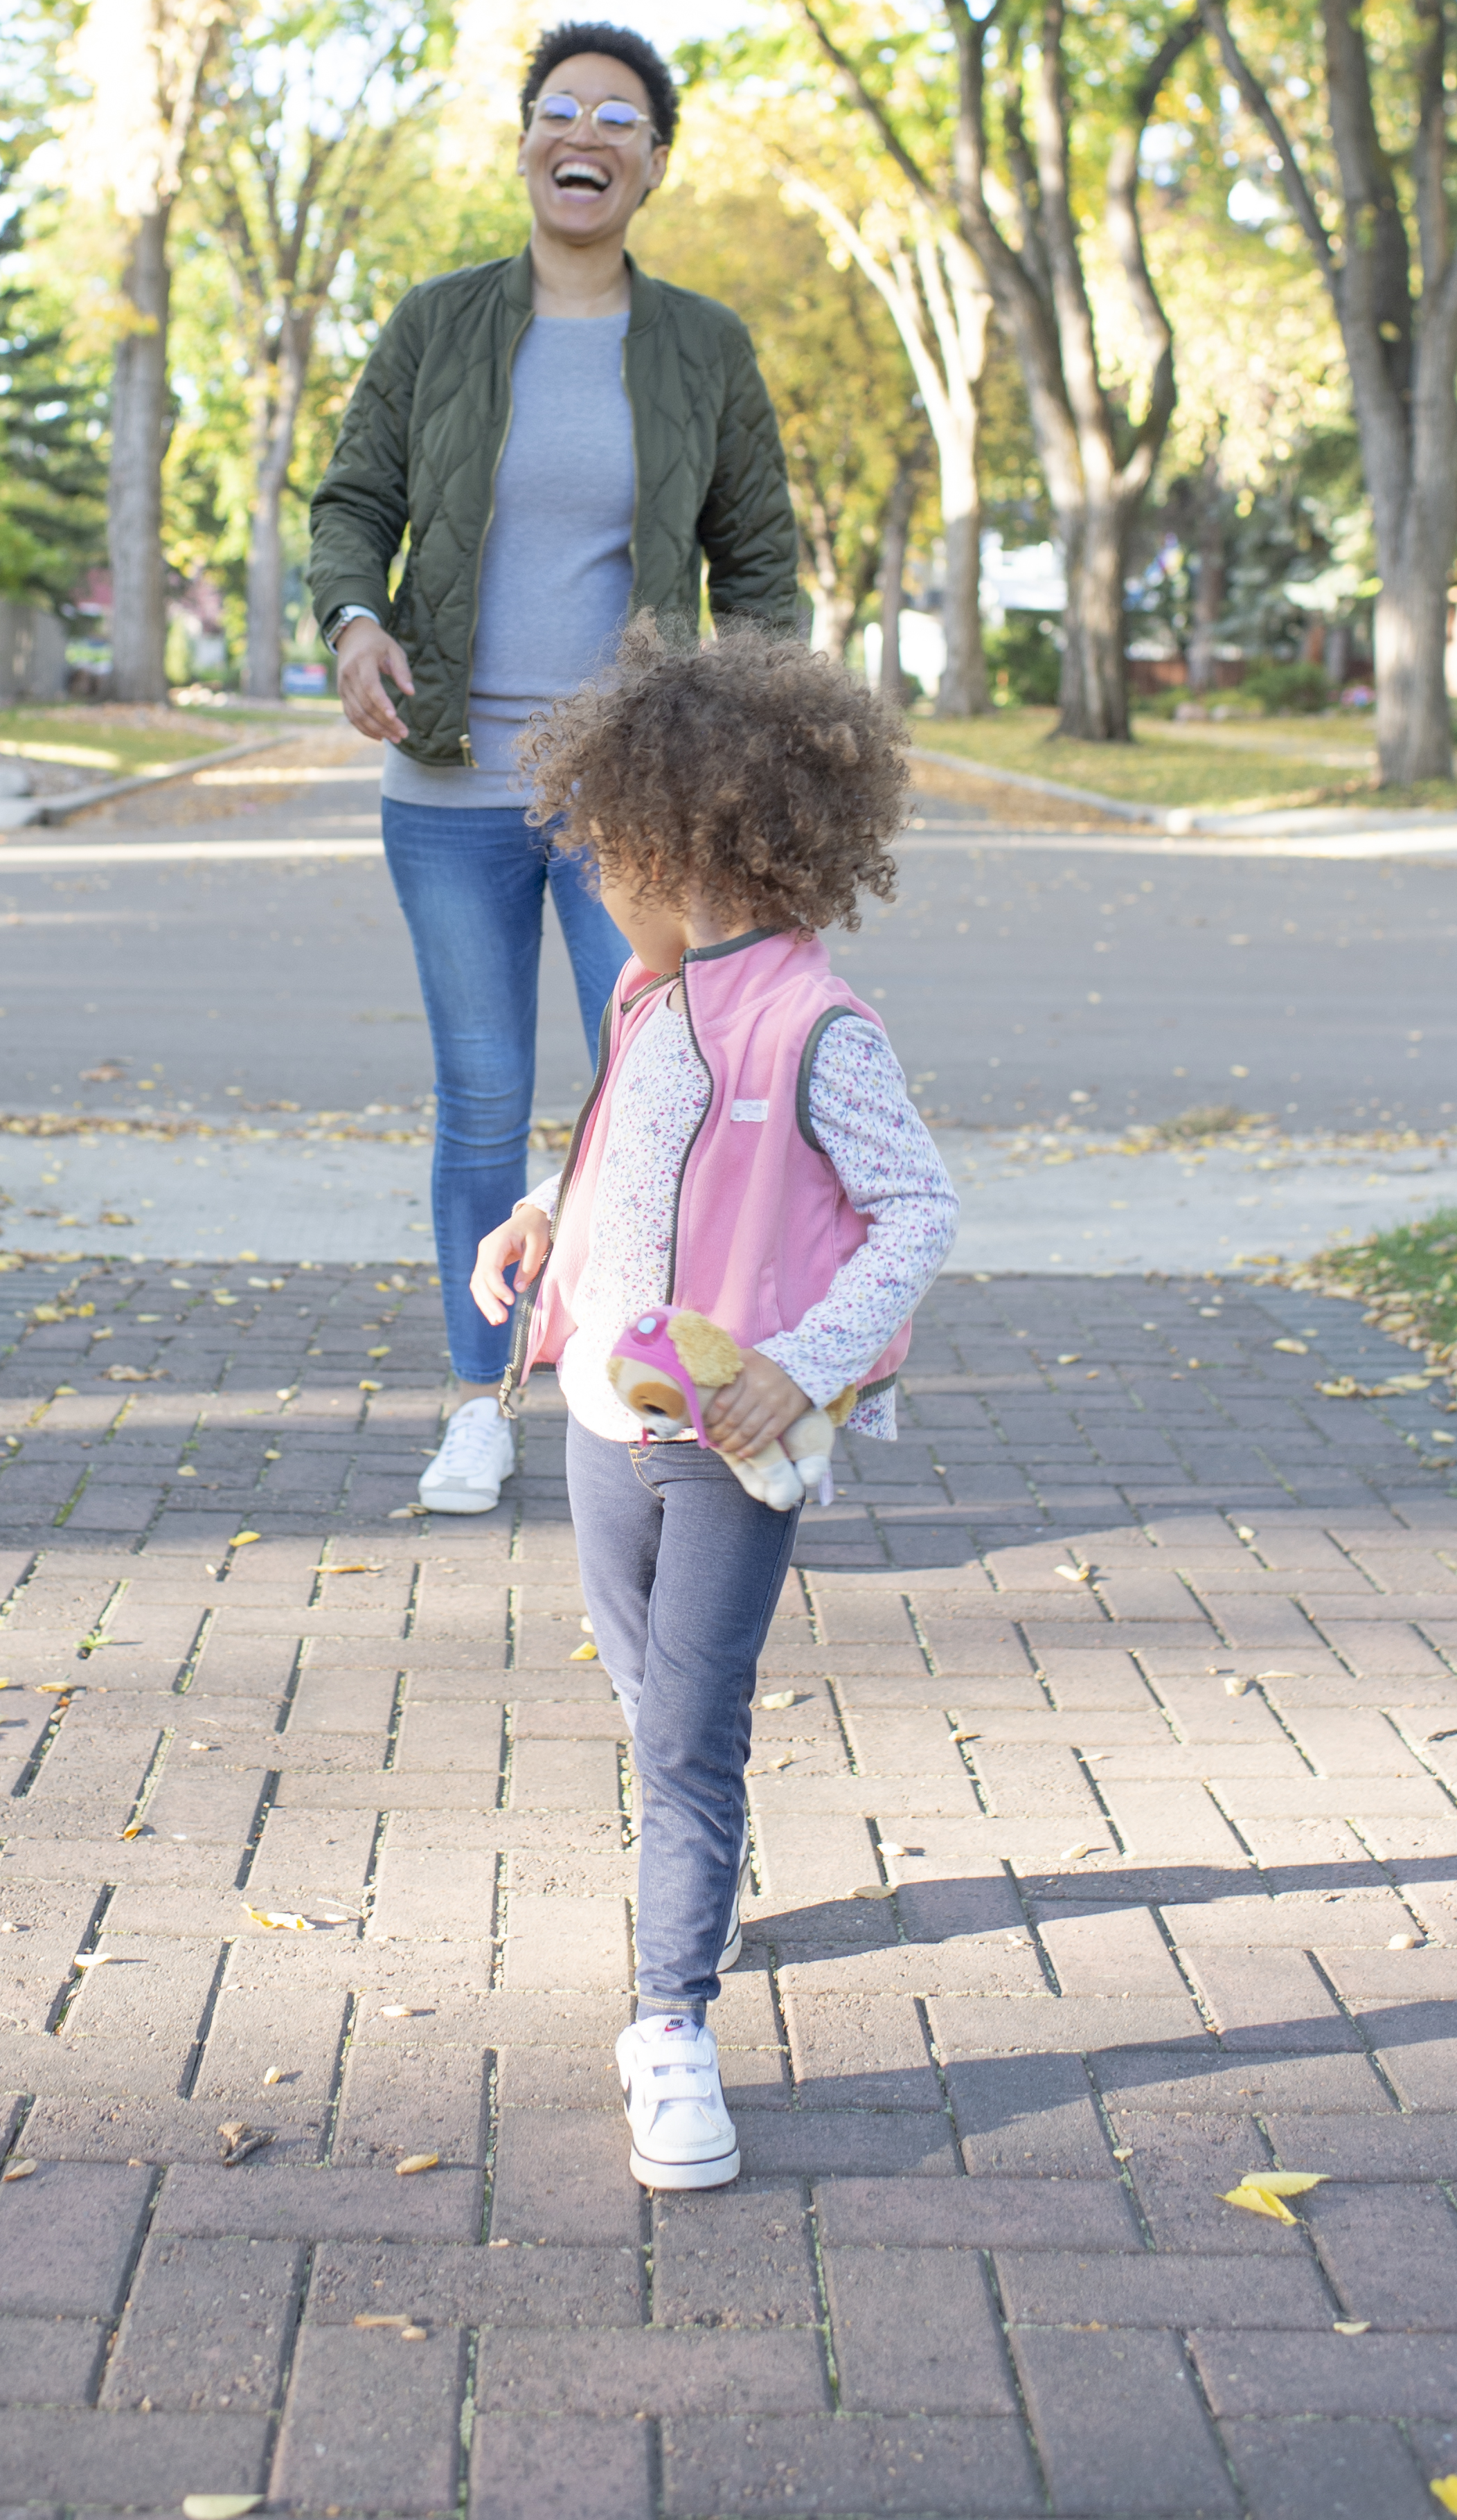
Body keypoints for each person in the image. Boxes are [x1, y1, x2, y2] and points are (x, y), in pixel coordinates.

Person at [471, 622, 956, 2189]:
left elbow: (918, 1211)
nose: (597, 882)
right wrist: (540, 1215)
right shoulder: (648, 997)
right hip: (604, 1423)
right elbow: (624, 1157)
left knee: (688, 1729)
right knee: (643, 1691)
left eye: (606, 855)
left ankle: (671, 2025)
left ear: (681, 853)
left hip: (736, 1448)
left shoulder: (817, 1028)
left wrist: (801, 1366)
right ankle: (707, 1865)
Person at [308, 20, 799, 1516]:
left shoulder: (704, 347)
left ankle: (641, 1397)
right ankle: (481, 1399)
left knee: (655, 1099)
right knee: (480, 1098)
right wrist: (352, 621)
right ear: (525, 142)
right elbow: (355, 501)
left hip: (630, 801)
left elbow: (758, 566)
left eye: (618, 117)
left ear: (653, 164)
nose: (584, 133)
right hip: (449, 783)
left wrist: (746, 747)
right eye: (558, 109)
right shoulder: (438, 325)